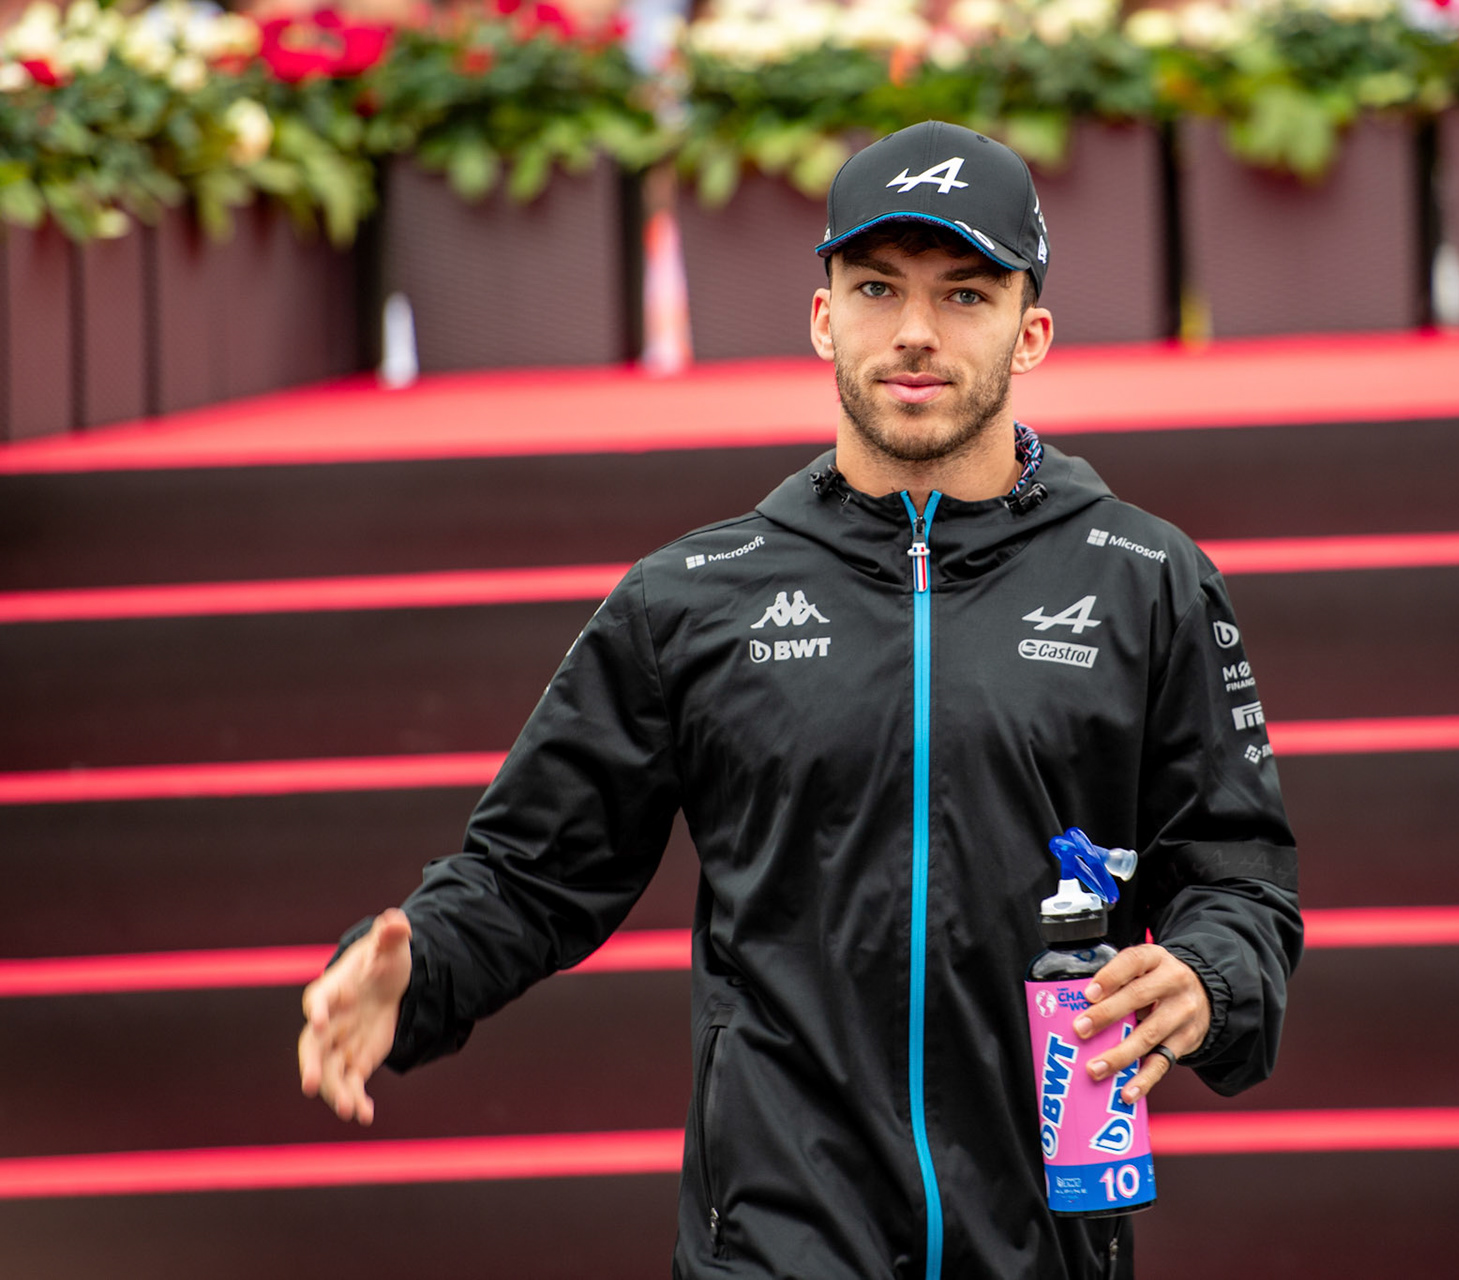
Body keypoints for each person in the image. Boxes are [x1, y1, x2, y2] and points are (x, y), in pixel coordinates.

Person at [297, 120, 1303, 1280]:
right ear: (824, 315)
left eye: (964, 294)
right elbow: (532, 872)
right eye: (877, 288)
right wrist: (411, 969)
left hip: (1046, 1242)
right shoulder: (690, 598)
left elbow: (1240, 879)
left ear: (1031, 333)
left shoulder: (1146, 578)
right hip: (774, 1244)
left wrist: (1205, 976)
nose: (914, 332)